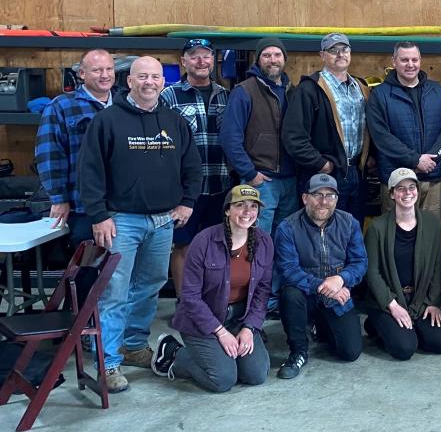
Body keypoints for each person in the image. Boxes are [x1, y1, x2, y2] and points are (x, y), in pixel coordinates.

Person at [77, 56, 201, 392]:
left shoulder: (174, 122)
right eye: (142, 76)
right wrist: (99, 215)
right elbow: (90, 171)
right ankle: (109, 362)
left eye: (155, 77)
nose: (149, 82)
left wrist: (187, 202)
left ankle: (133, 346)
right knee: (115, 290)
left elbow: (192, 166)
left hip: (162, 221)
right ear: (128, 81)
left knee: (152, 283)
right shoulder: (108, 121)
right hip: (122, 221)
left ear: (164, 82)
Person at [151, 185, 272, 392]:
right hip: (202, 320)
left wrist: (249, 328)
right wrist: (220, 332)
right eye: (240, 205)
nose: (247, 212)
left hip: (238, 318)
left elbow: (262, 291)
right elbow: (189, 297)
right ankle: (174, 353)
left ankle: (223, 356)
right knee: (222, 380)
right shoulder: (204, 241)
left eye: (253, 206)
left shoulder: (264, 242)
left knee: (256, 375)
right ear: (227, 210)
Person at [273, 173, 368, 379]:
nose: (324, 201)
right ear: (305, 198)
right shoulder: (287, 227)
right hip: (305, 295)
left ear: (337, 199)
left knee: (349, 352)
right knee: (290, 295)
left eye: (330, 195)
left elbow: (360, 263)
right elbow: (288, 270)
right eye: (317, 194)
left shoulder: (349, 223)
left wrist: (341, 279)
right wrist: (325, 286)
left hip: (337, 293)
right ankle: (298, 351)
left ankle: (321, 325)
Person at [161, 38, 231, 297]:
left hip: (220, 184)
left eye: (206, 55)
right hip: (185, 190)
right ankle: (186, 303)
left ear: (213, 61)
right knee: (183, 246)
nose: (201, 61)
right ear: (183, 62)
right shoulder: (168, 96)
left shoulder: (227, 95)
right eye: (194, 56)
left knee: (217, 246)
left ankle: (213, 301)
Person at [362, 169, 441, 359]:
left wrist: (433, 302)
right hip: (389, 300)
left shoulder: (432, 223)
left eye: (412, 188)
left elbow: (438, 265)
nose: (407, 193)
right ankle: (377, 323)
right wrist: (392, 305)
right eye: (400, 189)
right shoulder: (377, 228)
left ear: (418, 191)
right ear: (392, 194)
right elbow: (372, 272)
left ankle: (408, 326)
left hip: (418, 300)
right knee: (404, 349)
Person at [282, 33, 371, 222]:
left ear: (350, 53)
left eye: (344, 49)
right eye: (333, 50)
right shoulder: (309, 89)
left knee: (352, 230)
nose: (340, 54)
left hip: (356, 172)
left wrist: (369, 159)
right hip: (325, 175)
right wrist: (321, 164)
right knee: (320, 229)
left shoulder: (361, 88)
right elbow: (293, 137)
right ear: (322, 55)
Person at [36, 49, 116, 246]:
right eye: (97, 70)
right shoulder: (61, 106)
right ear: (82, 74)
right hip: (81, 206)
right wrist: (58, 198)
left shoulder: (124, 103)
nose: (105, 75)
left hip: (121, 205)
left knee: (117, 267)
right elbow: (50, 155)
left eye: (109, 69)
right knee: (87, 266)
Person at [220, 37, 299, 234]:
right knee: (256, 240)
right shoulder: (244, 91)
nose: (272, 60)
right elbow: (229, 138)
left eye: (277, 55)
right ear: (257, 59)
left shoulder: (293, 92)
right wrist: (250, 173)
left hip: (290, 182)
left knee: (285, 242)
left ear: (284, 58)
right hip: (260, 182)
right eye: (266, 55)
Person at [366, 42, 441, 216]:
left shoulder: (438, 91)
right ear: (394, 61)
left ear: (420, 60)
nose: (410, 64)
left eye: (414, 59)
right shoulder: (380, 95)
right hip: (396, 180)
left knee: (431, 236)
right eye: (404, 60)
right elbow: (381, 136)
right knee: (396, 237)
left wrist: (431, 160)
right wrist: (415, 160)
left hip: (431, 177)